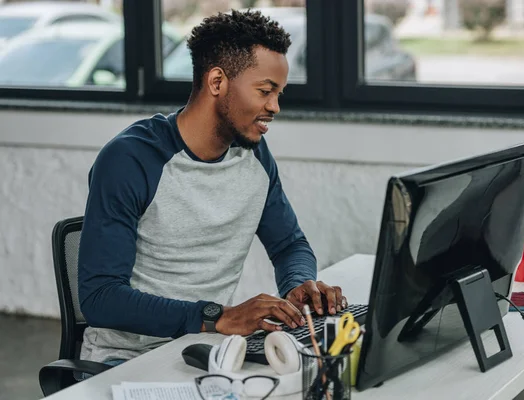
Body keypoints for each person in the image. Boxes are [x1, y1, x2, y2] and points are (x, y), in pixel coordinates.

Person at [77, 9, 347, 366]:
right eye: (265, 91)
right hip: (124, 360)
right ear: (217, 81)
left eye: (279, 93)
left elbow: (289, 244)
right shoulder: (130, 159)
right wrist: (216, 316)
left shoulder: (253, 156)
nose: (275, 107)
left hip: (208, 350)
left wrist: (298, 284)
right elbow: (100, 297)